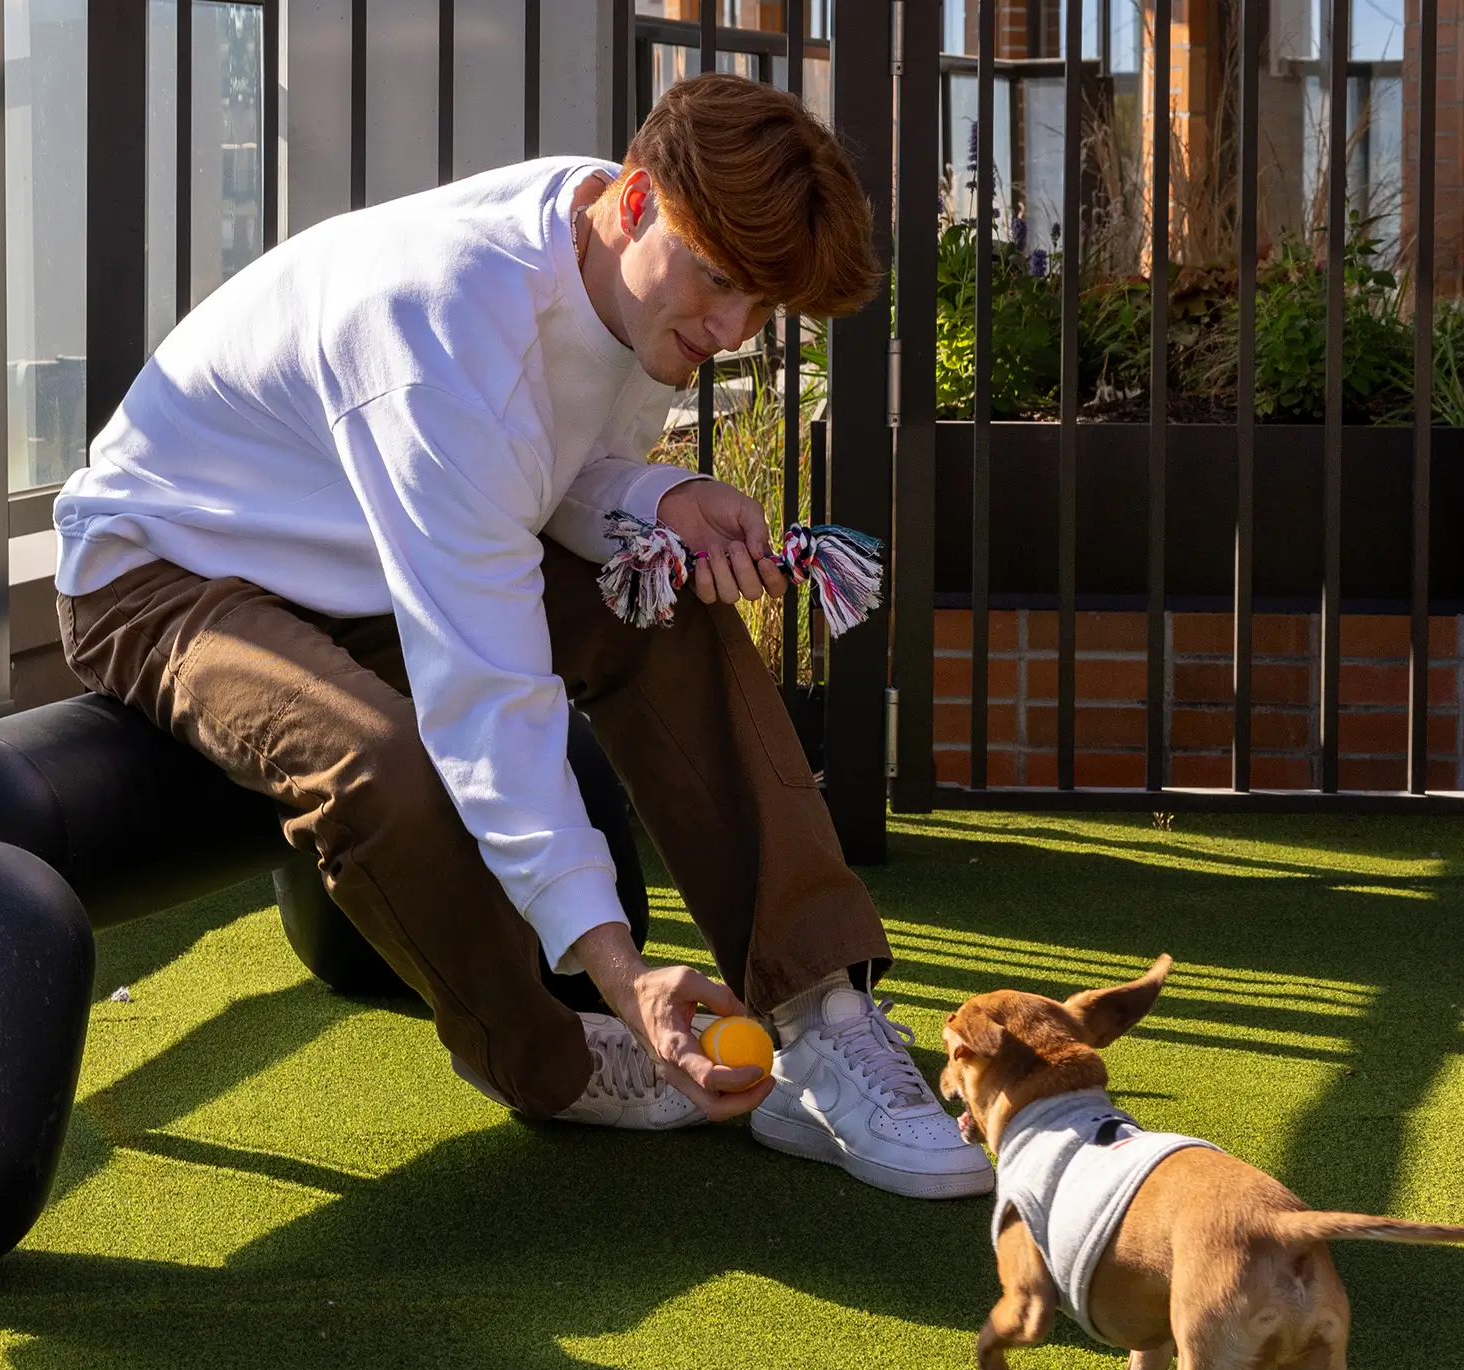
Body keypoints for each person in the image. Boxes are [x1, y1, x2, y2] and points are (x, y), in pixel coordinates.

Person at [53, 75, 991, 1199]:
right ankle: (544, 1058)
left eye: (760, 310)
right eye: (719, 283)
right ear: (638, 198)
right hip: (169, 572)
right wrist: (619, 968)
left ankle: (818, 1008)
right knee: (381, 766)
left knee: (662, 597)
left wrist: (661, 500)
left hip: (372, 556)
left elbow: (545, 479)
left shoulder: (610, 270)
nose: (730, 330)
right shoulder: (441, 328)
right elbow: (487, 688)